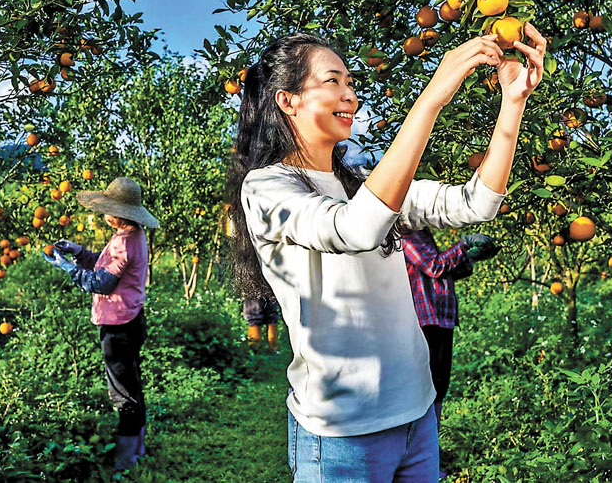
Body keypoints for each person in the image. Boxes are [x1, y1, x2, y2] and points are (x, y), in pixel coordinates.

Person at [226, 28, 545, 482]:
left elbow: (478, 202)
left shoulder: (360, 181)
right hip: (342, 435)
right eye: (332, 81)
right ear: (287, 101)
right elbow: (356, 228)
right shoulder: (266, 188)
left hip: (416, 416)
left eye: (351, 83)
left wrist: (513, 103)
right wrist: (432, 96)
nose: (349, 96)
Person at [42, 177, 159, 471]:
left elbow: (101, 283)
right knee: (131, 386)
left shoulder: (124, 241)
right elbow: (102, 264)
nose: (104, 214)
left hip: (119, 326)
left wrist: (67, 267)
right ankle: (137, 451)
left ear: (119, 214)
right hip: (130, 319)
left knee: (122, 392)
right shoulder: (132, 235)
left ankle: (126, 461)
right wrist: (79, 252)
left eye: (108, 209)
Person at [402, 227, 500, 479]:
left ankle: (428, 458)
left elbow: (452, 271)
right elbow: (433, 266)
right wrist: (463, 245)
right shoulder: (406, 235)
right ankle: (421, 462)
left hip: (442, 317)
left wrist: (471, 257)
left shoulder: (422, 234)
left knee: (439, 388)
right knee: (428, 388)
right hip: (426, 318)